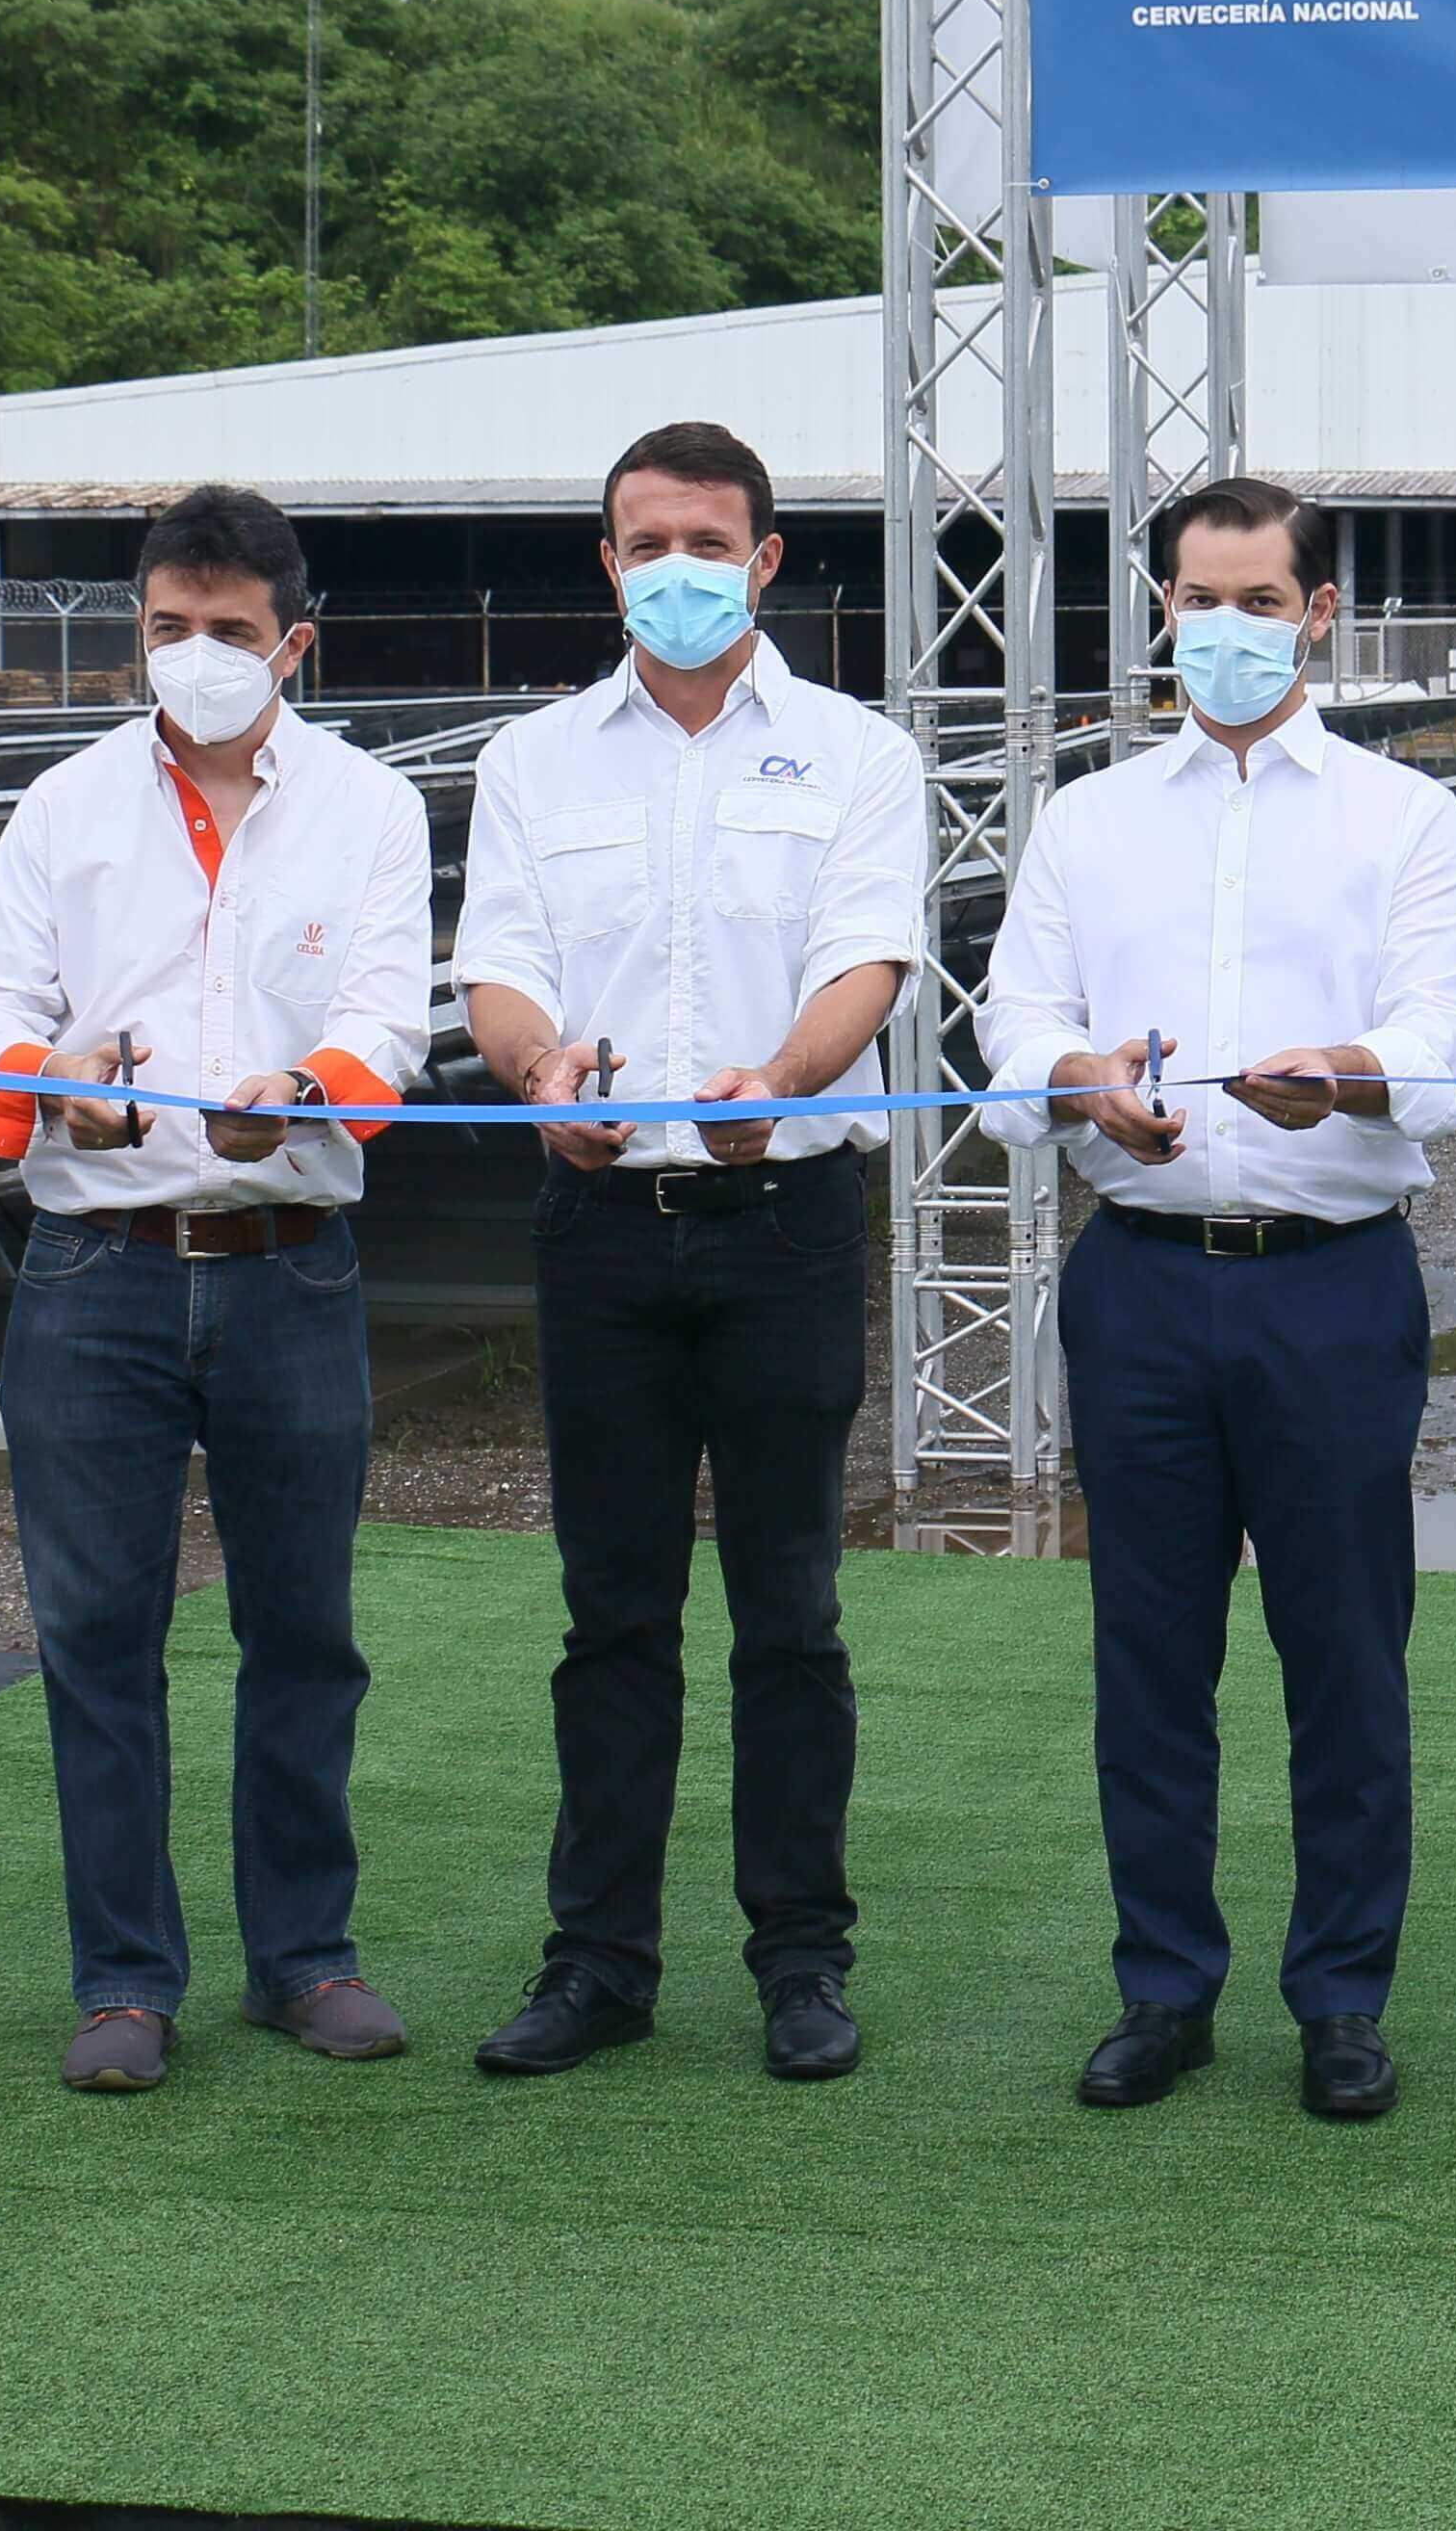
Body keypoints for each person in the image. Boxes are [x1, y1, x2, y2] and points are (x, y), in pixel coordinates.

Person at [978, 474, 1456, 2124]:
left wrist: (1342, 1078)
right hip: (1139, 1284)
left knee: (1345, 1652)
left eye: (1260, 602)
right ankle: (1162, 1990)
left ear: (1318, 615)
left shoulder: (1405, 820)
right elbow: (1014, 1026)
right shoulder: (1089, 819)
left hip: (1331, 1291)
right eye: (1200, 600)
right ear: (1161, 610)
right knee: (1149, 1654)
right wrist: (1080, 1083)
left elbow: (1441, 1032)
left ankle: (1342, 1999)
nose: (1228, 631)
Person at [448, 423, 923, 2085]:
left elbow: (870, 958)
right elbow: (498, 964)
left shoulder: (860, 750)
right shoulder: (534, 759)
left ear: (767, 558)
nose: (679, 571)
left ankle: (801, 1962)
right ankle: (599, 1964)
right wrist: (535, 1079)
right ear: (606, 561)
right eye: (647, 542)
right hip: (599, 1228)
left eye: (708, 543)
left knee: (790, 1608)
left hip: (785, 1219)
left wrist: (782, 1086)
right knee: (611, 1612)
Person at [0, 484, 433, 2094]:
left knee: (304, 1629)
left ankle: (304, 1956)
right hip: (97, 1266)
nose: (200, 657)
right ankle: (123, 1979)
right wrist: (56, 1075)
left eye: (231, 632)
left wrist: (309, 1084)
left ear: (294, 639)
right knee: (99, 1633)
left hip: (291, 1264)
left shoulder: (367, 809)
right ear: (134, 636)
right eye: (171, 630)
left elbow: (391, 1016)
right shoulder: (62, 809)